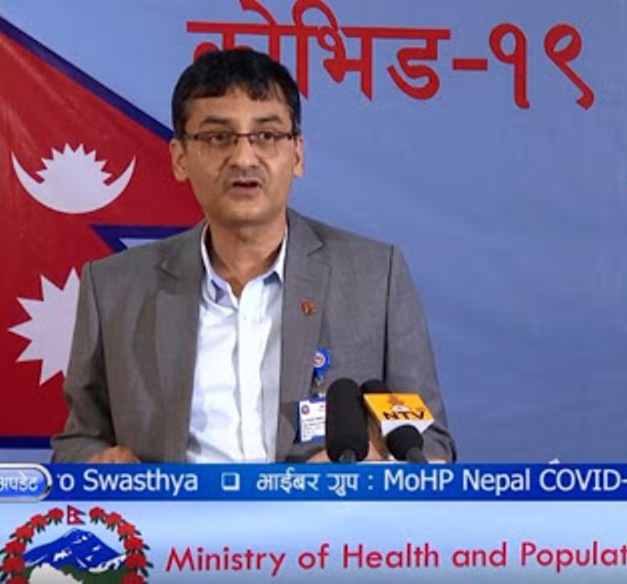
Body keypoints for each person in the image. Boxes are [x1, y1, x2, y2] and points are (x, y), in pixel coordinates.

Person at [51, 48, 455, 463]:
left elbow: (430, 445)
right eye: (217, 137)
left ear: (297, 154)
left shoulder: (374, 277)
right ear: (180, 158)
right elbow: (78, 441)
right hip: (176, 508)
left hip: (326, 509)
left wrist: (375, 465)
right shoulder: (115, 288)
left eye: (267, 136)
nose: (243, 158)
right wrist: (97, 463)